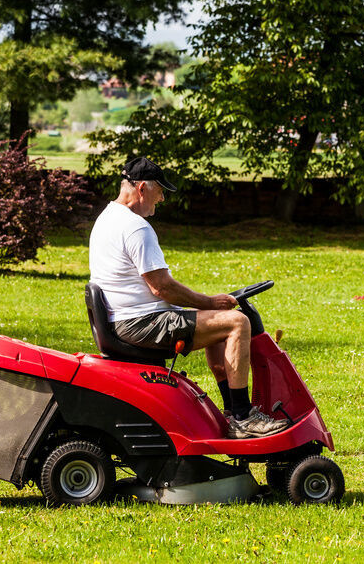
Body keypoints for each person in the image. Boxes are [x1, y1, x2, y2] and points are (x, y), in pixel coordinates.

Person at [88, 156, 287, 439]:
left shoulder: (107, 217)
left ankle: (232, 410)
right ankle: (243, 418)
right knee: (237, 323)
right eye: (161, 191)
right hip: (141, 323)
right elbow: (161, 288)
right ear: (143, 188)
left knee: (220, 324)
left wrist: (210, 308)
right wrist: (209, 302)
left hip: (126, 319)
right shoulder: (135, 227)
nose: (163, 199)